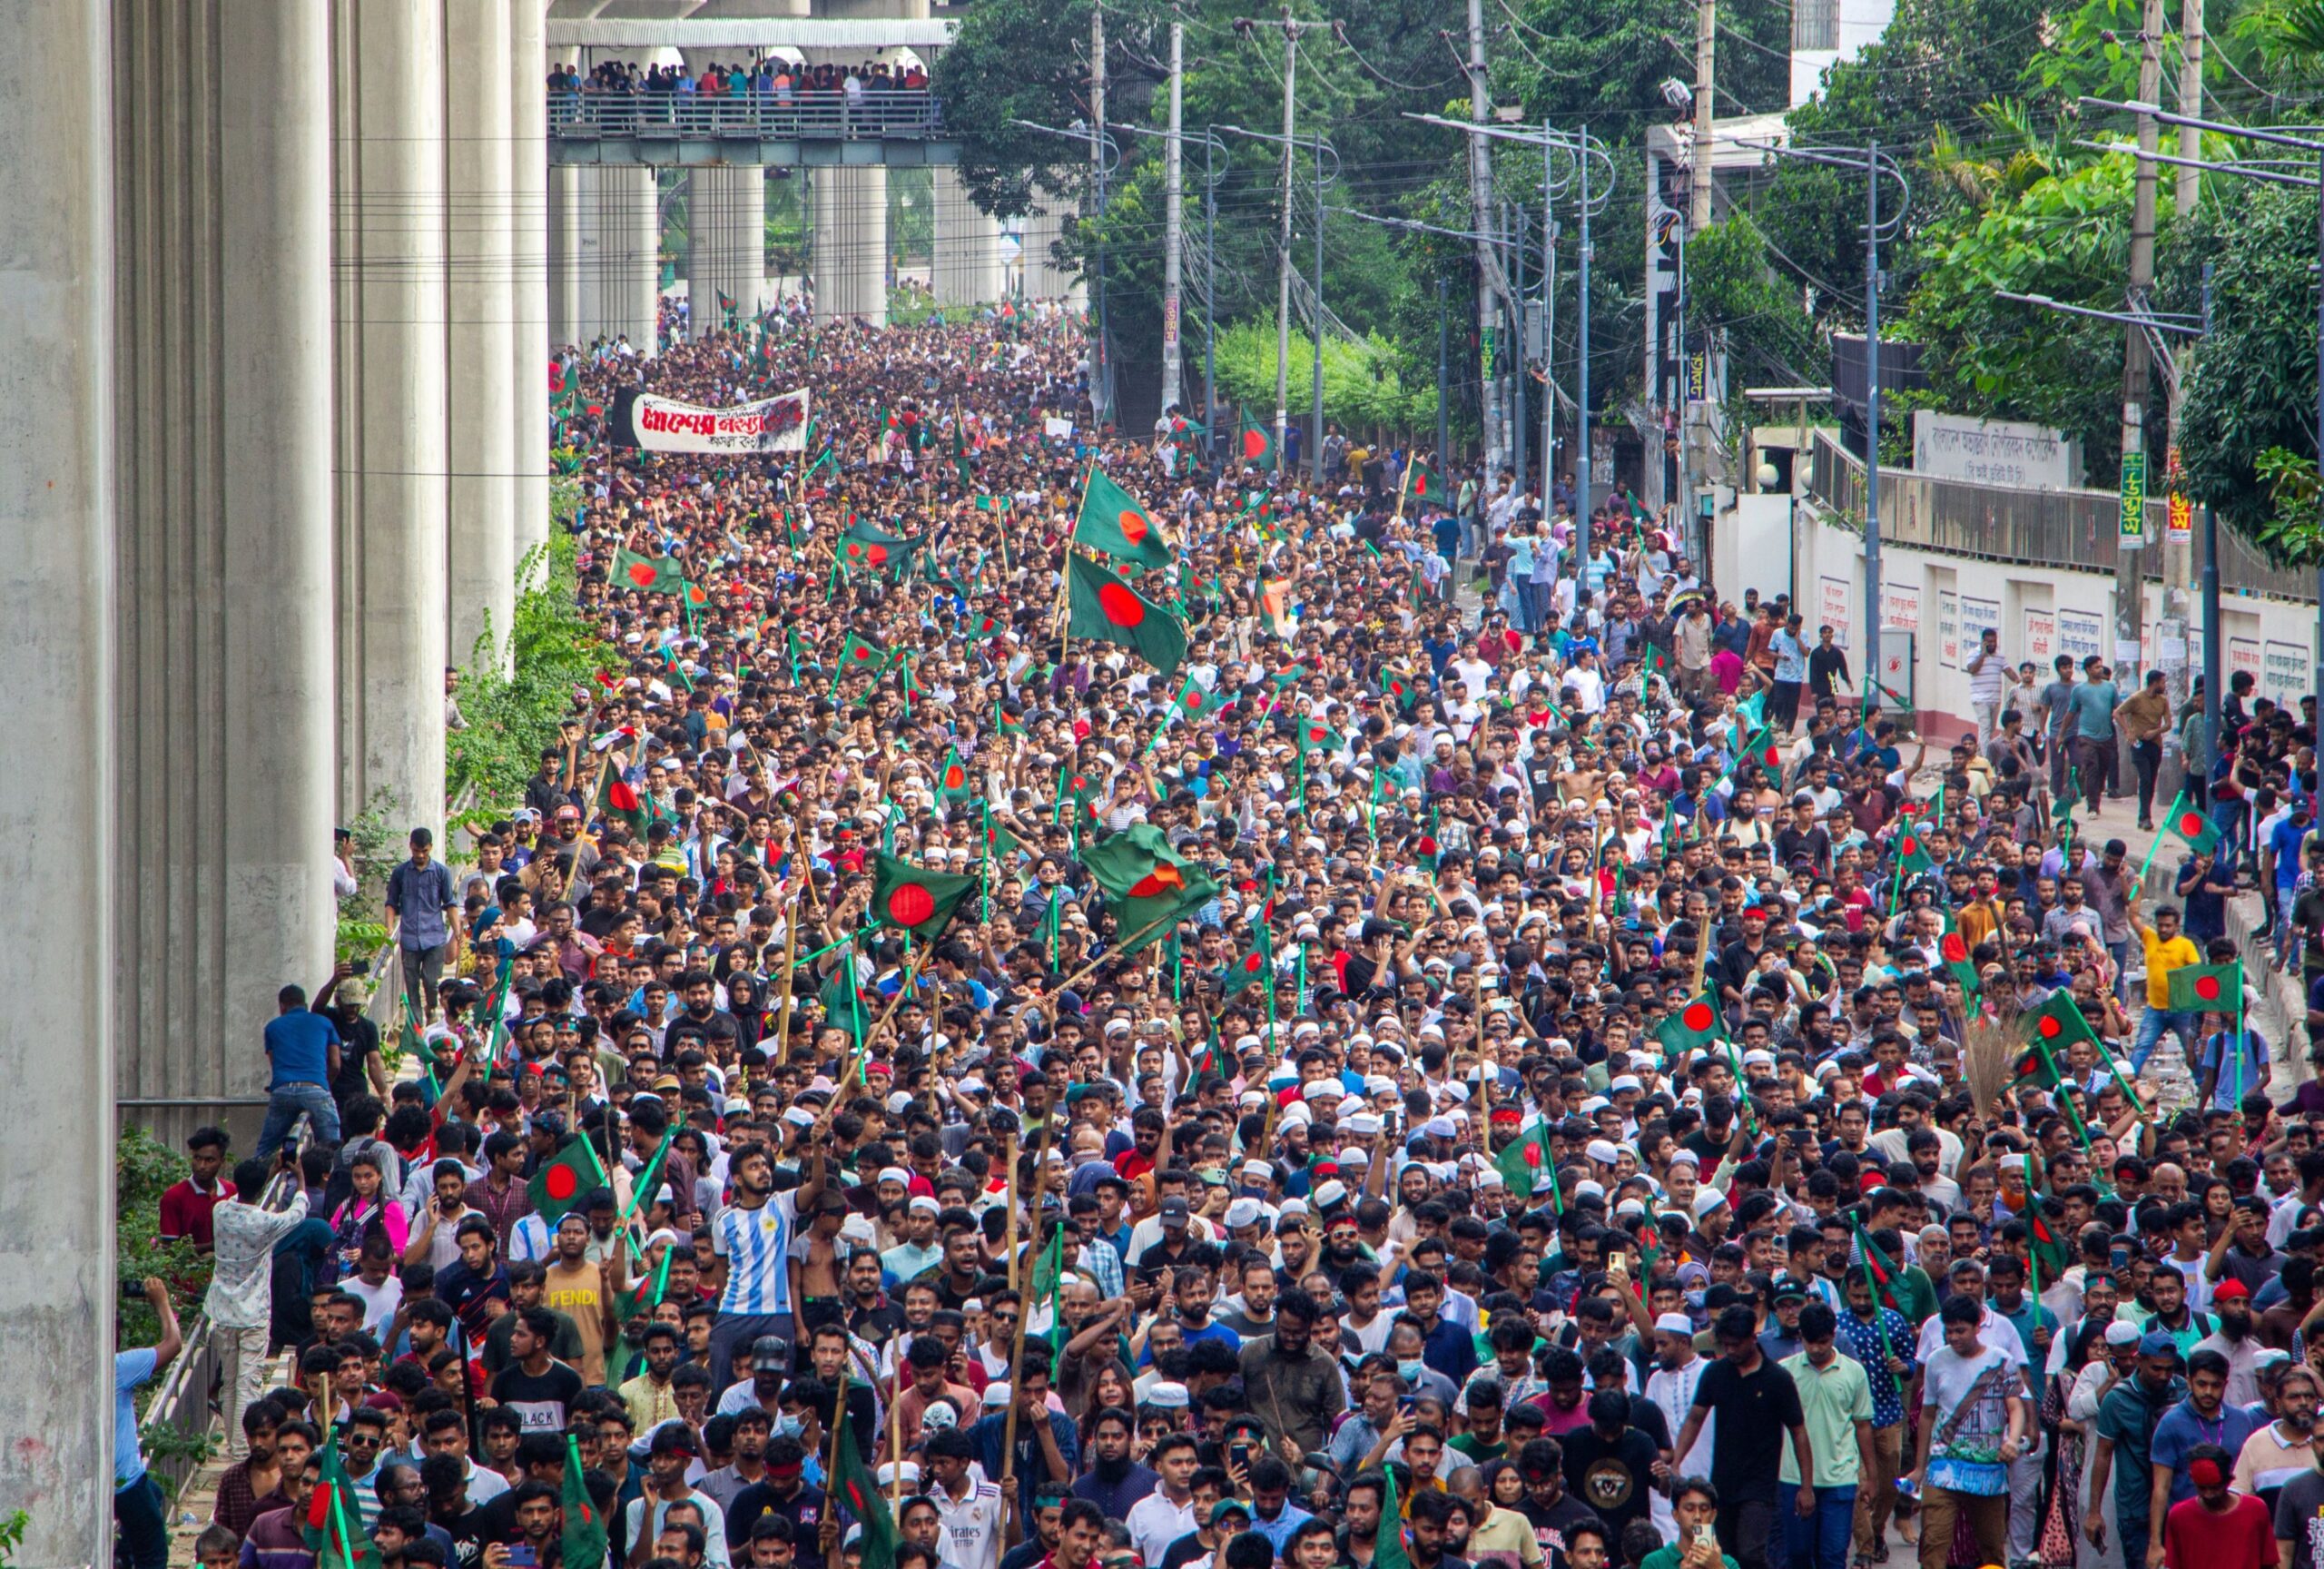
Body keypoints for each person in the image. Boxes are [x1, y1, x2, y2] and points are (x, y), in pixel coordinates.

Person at [1669, 1305, 1814, 1569]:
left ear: (1753, 1338)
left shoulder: (1777, 1379)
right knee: (1714, 1552)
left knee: (1750, 1552)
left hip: (1760, 1485)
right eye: (1726, 1345)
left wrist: (1806, 1487)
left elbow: (1799, 1432)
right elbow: (1694, 1418)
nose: (1731, 1351)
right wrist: (1677, 1461)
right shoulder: (1715, 1373)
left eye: (1736, 1345)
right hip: (1720, 1482)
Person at [1904, 1295, 2029, 1569]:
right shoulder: (1936, 1361)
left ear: (1978, 1325)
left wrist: (2012, 1439)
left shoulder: (2002, 1360)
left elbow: (2015, 1407)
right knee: (1933, 1545)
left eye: (1960, 1330)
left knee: (1992, 1550)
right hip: (1943, 1469)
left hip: (1988, 1473)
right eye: (1948, 1331)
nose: (1953, 1337)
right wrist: (1919, 1467)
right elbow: (1927, 1415)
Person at [115, 1277, 184, 1569]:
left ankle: (122, 1557)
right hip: (123, 1482)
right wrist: (161, 1302)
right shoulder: (118, 1367)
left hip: (106, 1481)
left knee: (154, 1492)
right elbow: (174, 1343)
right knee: (153, 1556)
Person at [256, 979, 343, 1158]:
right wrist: (323, 1084)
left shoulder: (272, 1027)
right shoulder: (324, 1023)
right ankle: (331, 1178)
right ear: (305, 1004)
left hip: (283, 1091)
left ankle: (258, 1178)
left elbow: (275, 1065)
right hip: (315, 1089)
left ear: (282, 1006)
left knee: (266, 1149)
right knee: (332, 1148)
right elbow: (335, 1064)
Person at [387, 826, 458, 1024]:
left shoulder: (441, 873)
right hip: (409, 937)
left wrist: (458, 932)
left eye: (424, 851)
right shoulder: (400, 873)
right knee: (411, 984)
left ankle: (432, 1006)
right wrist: (388, 928)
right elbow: (391, 902)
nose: (420, 855)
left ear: (431, 848)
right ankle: (417, 1024)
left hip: (434, 936)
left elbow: (450, 903)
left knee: (431, 980)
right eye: (416, 850)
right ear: (410, 847)